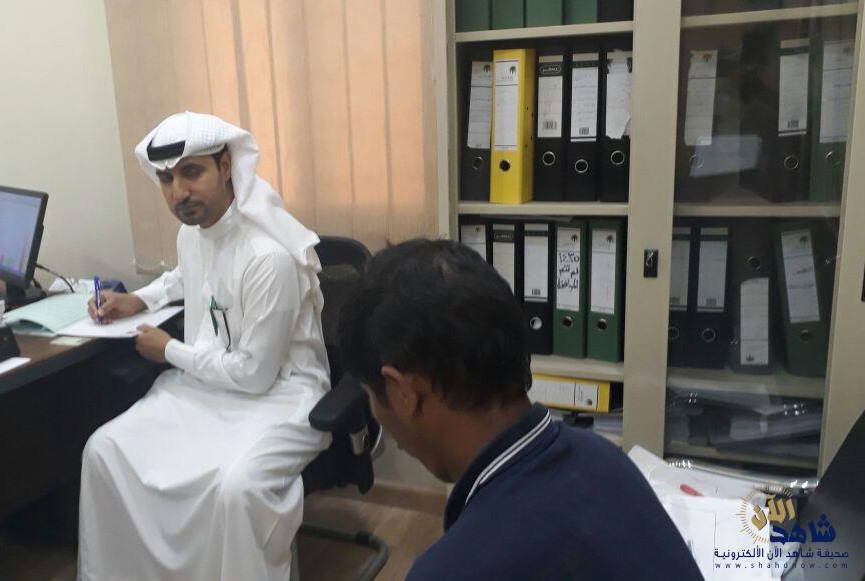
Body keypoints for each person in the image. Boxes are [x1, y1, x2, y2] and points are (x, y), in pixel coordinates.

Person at [338, 239, 703, 580]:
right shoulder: (602, 457)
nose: (374, 410)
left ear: (403, 393)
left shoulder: (453, 570)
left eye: (370, 393)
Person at [78, 112, 330, 581]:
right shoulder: (192, 235)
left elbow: (255, 376)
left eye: (191, 172)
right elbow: (188, 275)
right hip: (206, 385)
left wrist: (169, 350)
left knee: (235, 488)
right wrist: (139, 299)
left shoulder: (268, 256)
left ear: (226, 166)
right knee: (103, 450)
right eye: (167, 179)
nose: (179, 192)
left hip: (280, 396)